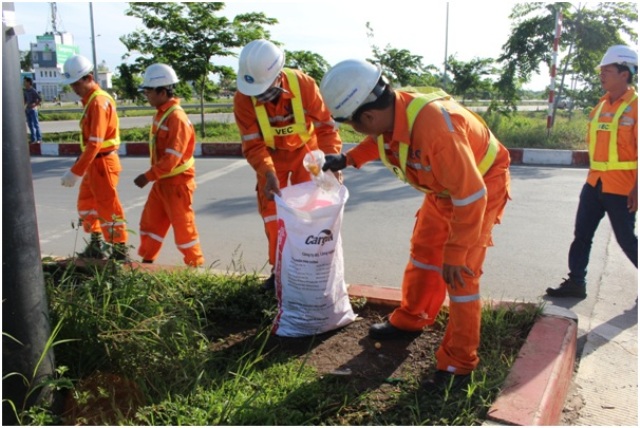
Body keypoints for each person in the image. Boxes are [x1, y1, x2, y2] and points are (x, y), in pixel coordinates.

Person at [319, 59, 511, 391]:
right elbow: (382, 141)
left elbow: (472, 195)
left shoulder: (436, 130)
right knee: (424, 254)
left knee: (460, 274)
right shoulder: (393, 112)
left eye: (352, 124)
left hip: (479, 186)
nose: (355, 130)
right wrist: (349, 159)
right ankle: (413, 318)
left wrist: (456, 249)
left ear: (368, 116)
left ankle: (458, 363)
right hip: (445, 189)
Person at [233, 39, 343, 290]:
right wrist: (267, 173)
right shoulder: (243, 99)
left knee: (313, 212)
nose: (259, 96)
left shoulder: (303, 84)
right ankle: (279, 272)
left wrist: (331, 163)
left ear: (277, 75)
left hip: (308, 154)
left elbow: (326, 128)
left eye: (264, 89)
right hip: (272, 160)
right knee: (273, 217)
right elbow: (253, 145)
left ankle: (312, 268)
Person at [547, 45, 638, 299]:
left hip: (622, 188)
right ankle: (576, 282)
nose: (602, 75)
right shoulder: (600, 105)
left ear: (625, 73)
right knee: (582, 234)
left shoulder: (636, 106)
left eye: (607, 70)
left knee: (626, 240)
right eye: (602, 71)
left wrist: (637, 190)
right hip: (594, 183)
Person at [134, 63, 205, 267]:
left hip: (177, 185)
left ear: (162, 91)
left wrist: (148, 176)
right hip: (162, 183)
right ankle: (147, 261)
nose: (146, 95)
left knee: (184, 229)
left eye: (148, 91)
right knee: (150, 224)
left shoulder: (177, 118)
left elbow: (172, 159)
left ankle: (196, 266)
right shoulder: (162, 113)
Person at [59, 54, 129, 261]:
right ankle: (96, 244)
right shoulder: (90, 101)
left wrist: (75, 172)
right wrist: (79, 166)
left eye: (76, 83)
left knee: (109, 208)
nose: (73, 88)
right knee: (87, 204)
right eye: (71, 83)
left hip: (103, 162)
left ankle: (119, 251)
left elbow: (95, 142)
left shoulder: (98, 102)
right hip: (94, 162)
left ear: (89, 77)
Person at [23, 76, 42, 144]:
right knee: (30, 125)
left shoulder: (33, 90)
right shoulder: (25, 91)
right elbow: (25, 100)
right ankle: (33, 139)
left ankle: (39, 139)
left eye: (25, 81)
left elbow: (39, 99)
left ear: (28, 82)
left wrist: (34, 105)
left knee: (35, 124)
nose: (24, 83)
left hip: (33, 109)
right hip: (27, 109)